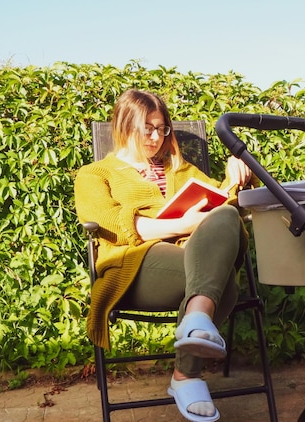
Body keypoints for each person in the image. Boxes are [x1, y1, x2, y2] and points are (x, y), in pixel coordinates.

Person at [75, 89, 253, 422]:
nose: (157, 137)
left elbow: (224, 202)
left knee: (226, 220)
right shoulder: (95, 174)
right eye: (148, 128)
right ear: (124, 125)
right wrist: (184, 223)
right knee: (223, 279)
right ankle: (187, 372)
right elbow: (117, 223)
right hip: (134, 265)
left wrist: (236, 170)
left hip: (190, 261)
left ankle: (190, 351)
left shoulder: (181, 170)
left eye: (162, 128)